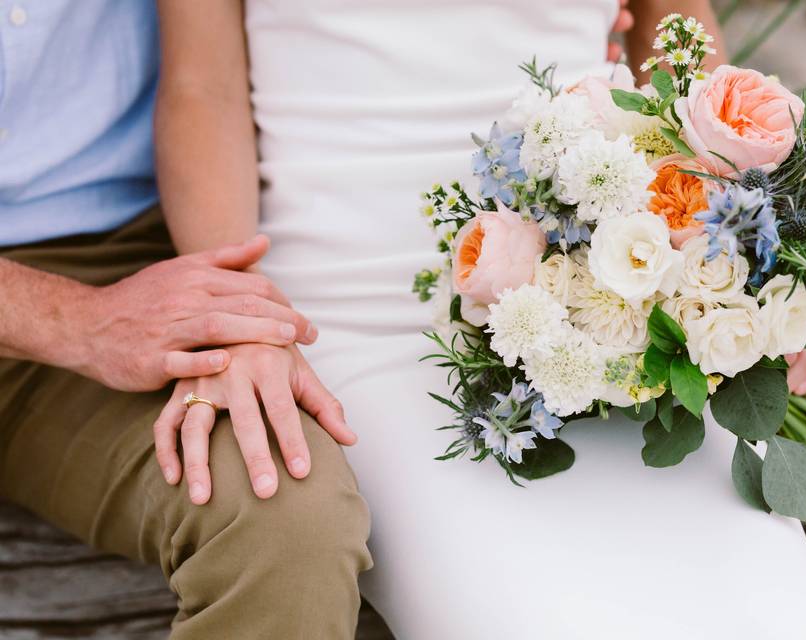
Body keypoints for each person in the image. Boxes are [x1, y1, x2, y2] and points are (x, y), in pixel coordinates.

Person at [153, 0, 806, 639]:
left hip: (612, 276)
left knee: (771, 618)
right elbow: (201, 86)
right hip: (359, 313)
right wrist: (236, 309)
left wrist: (748, 263)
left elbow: (675, 25)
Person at [0, 1, 639, 638]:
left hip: (203, 222)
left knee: (282, 515)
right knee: (282, 511)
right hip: (29, 300)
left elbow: (208, 83)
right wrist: (81, 321)